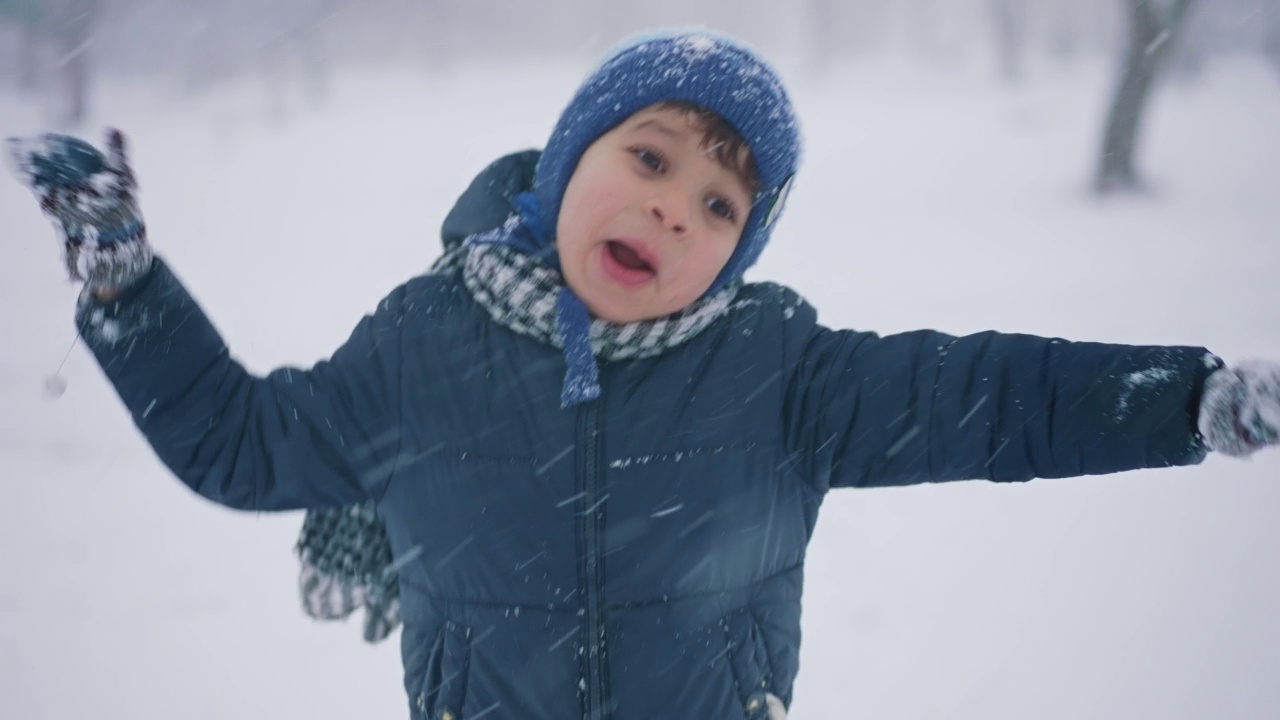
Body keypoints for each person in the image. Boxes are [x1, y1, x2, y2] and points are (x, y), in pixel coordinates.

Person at [7, 28, 1280, 720]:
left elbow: (991, 397)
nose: (677, 210)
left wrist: (1190, 398)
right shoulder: (419, 349)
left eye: (723, 202)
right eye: (652, 158)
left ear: (740, 249)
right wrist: (124, 281)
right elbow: (239, 444)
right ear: (566, 167)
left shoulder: (779, 370)